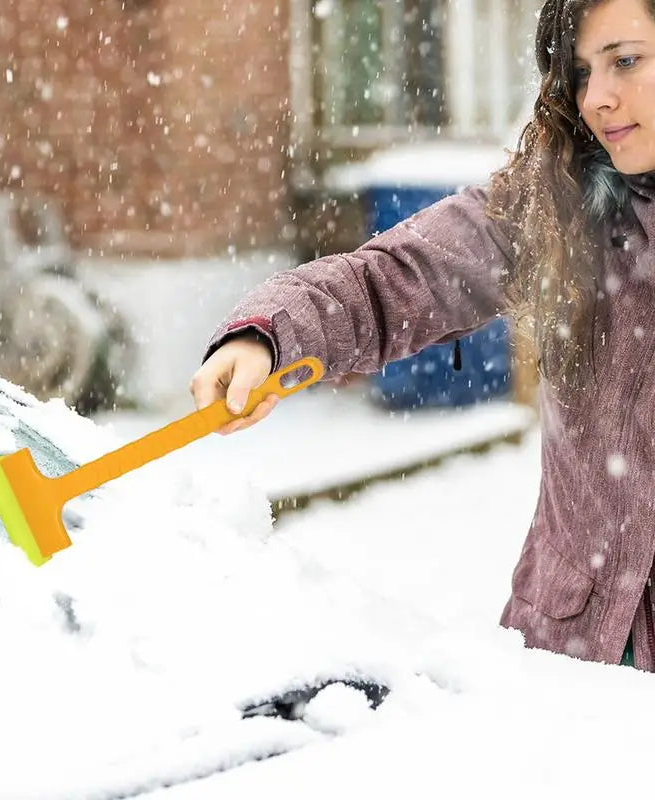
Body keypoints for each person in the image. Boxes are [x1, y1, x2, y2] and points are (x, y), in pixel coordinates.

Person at [189, 0, 655, 671]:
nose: (598, 99)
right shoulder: (558, 202)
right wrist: (268, 335)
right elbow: (396, 277)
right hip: (568, 665)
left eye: (626, 61)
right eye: (580, 73)